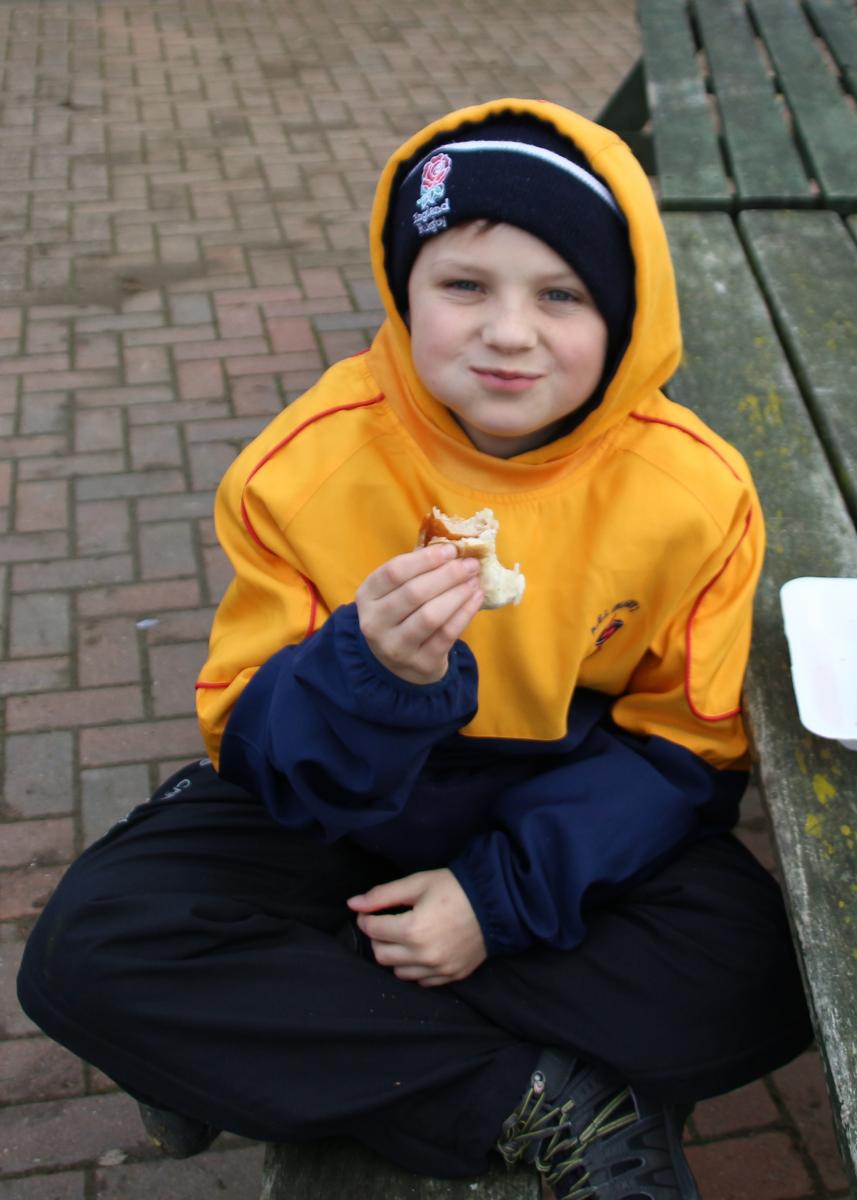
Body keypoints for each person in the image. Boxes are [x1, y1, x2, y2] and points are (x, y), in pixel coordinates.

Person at [18, 98, 811, 1199]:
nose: (508, 332)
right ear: (403, 289)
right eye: (463, 285)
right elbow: (251, 744)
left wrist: (493, 902)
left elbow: (682, 752)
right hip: (340, 812)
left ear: (628, 314)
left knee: (762, 971)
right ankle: (541, 1103)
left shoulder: (693, 492)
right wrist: (367, 678)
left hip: (556, 800)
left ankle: (269, 1031)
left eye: (562, 295)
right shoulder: (306, 466)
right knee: (90, 948)